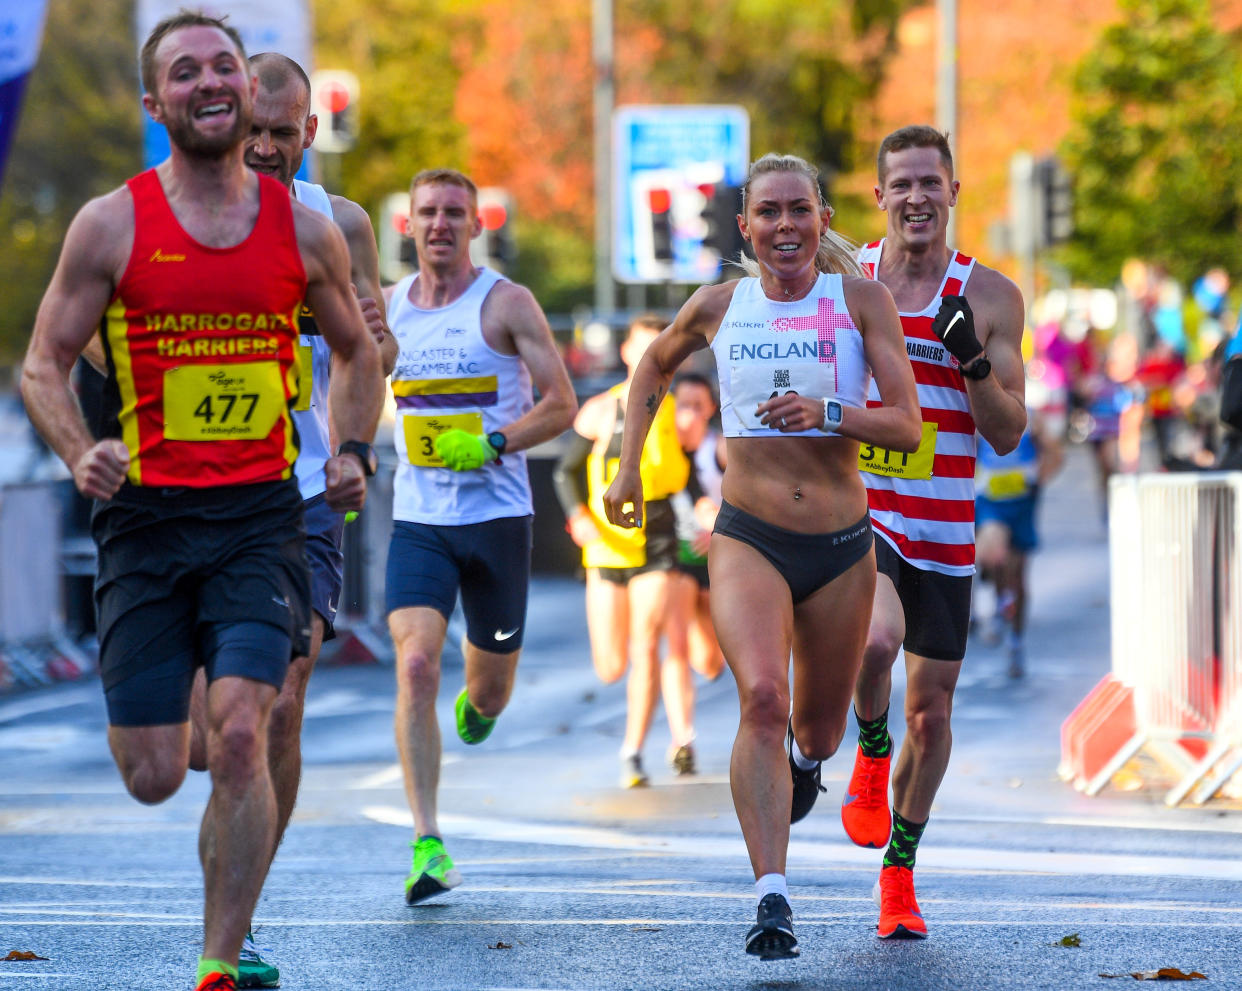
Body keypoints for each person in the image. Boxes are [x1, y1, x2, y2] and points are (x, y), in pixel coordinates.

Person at [19, 13, 384, 991]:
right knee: (152, 770)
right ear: (157, 105)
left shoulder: (308, 227)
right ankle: (178, 728)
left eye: (225, 64)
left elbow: (357, 350)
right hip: (144, 516)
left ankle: (222, 956)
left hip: (265, 510)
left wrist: (351, 449)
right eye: (188, 71)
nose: (213, 81)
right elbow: (43, 364)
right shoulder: (111, 222)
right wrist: (80, 447)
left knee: (244, 727)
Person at [603, 153, 921, 960]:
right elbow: (653, 365)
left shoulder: (861, 300)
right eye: (768, 213)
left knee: (814, 728)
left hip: (843, 548)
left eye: (800, 210)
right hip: (747, 536)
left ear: (823, 219)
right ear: (745, 226)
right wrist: (628, 462)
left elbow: (906, 425)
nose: (785, 226)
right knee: (760, 699)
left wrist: (831, 409)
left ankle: (814, 760)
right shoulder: (719, 305)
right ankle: (771, 894)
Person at [185, 51, 397, 989]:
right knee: (193, 743)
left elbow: (373, 349)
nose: (266, 145)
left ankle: (234, 930)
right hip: (189, 495)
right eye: (253, 128)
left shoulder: (338, 222)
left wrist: (358, 445)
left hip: (302, 493)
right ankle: (227, 900)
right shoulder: (183, 215)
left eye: (284, 130)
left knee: (277, 709)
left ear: (310, 132)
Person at [841, 125, 1026, 941]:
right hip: (863, 508)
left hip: (945, 520)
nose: (916, 197)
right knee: (875, 646)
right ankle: (870, 748)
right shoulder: (845, 279)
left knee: (935, 715)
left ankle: (899, 872)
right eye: (901, 184)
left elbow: (1009, 434)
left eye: (931, 182)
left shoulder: (990, 297)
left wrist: (971, 364)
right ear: (878, 197)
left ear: (954, 191)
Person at [384, 168, 577, 905]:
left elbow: (560, 403)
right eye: (428, 212)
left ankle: (482, 705)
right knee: (414, 668)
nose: (440, 224)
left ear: (475, 225)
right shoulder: (388, 308)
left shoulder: (505, 304)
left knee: (487, 691)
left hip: (496, 518)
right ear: (408, 224)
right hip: (420, 520)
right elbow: (356, 383)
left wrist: (495, 441)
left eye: (454, 213)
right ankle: (427, 841)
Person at [552, 315, 691, 787]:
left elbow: (702, 466)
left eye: (662, 345)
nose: (653, 354)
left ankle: (632, 751)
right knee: (610, 666)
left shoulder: (681, 409)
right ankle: (635, 736)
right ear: (628, 351)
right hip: (607, 544)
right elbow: (563, 471)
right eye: (644, 345)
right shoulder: (601, 410)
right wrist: (579, 518)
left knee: (646, 645)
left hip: (657, 536)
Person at [664, 371, 728, 768]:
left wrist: (719, 522)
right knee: (676, 647)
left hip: (716, 558)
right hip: (672, 557)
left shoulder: (719, 449)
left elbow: (753, 493)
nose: (687, 415)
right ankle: (681, 738)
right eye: (680, 405)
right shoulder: (659, 446)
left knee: (708, 661)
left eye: (696, 406)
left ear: (710, 410)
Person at [973, 406, 1061, 678]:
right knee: (995, 557)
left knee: (1017, 575)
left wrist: (1039, 478)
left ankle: (1016, 640)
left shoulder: (1031, 417)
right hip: (991, 502)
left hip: (1022, 503)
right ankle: (1001, 605)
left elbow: (1057, 455)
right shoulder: (976, 409)